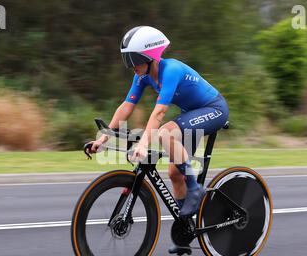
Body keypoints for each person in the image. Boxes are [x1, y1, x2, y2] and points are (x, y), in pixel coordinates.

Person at [88, 25, 229, 226]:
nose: (130, 65)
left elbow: (159, 113)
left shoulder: (170, 70)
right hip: (191, 114)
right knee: (174, 174)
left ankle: (195, 189)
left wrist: (144, 144)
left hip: (214, 109)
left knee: (165, 134)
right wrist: (104, 136)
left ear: (149, 56)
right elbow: (126, 106)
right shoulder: (142, 76)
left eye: (133, 59)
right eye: (127, 59)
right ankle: (186, 226)